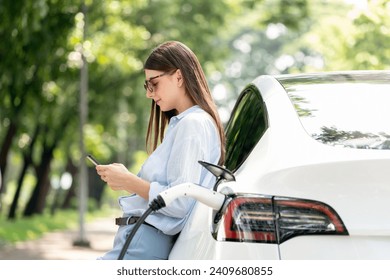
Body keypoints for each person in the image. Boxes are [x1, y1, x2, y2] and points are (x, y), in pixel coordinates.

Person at [95, 41, 225, 260]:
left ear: (179, 77)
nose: (149, 93)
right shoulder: (188, 123)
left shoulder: (192, 124)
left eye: (154, 83)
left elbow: (180, 201)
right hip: (140, 239)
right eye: (147, 85)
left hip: (143, 241)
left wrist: (128, 180)